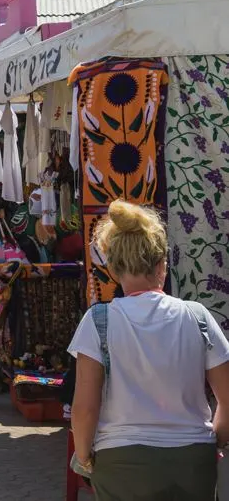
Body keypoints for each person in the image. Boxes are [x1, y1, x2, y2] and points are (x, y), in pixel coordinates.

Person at [68, 200, 229, 500]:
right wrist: (216, 441)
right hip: (192, 461)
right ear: (162, 264)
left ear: (114, 269)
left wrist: (85, 456)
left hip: (121, 461)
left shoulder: (98, 321)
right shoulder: (197, 317)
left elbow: (85, 408)